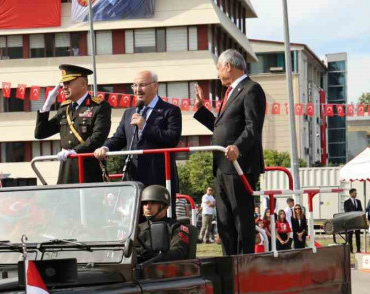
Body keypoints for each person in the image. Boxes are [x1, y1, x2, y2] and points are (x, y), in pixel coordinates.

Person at [193, 49, 266, 256]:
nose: (217, 75)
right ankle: (229, 261)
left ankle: (243, 262)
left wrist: (238, 147)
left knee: (241, 218)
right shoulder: (229, 92)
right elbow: (221, 128)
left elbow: (253, 127)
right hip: (221, 166)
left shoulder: (252, 89)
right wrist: (201, 109)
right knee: (224, 219)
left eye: (218, 68)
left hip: (239, 166)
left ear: (228, 66)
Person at [96, 70, 182, 214]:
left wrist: (145, 126)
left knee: (159, 222)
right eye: (134, 85)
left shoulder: (170, 110)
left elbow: (172, 139)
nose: (137, 90)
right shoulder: (129, 112)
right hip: (134, 176)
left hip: (158, 176)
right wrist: (105, 147)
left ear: (155, 86)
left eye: (142, 85)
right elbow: (119, 138)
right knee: (135, 222)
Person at [34, 64, 111, 184]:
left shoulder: (98, 106)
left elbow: (99, 135)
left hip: (89, 166)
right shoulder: (64, 108)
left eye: (68, 83)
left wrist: (76, 151)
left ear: (83, 84)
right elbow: (40, 133)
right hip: (67, 167)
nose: (64, 87)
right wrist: (46, 107)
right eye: (63, 84)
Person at [134, 185, 192, 264]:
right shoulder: (137, 229)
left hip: (164, 271)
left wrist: (155, 255)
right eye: (145, 203)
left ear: (165, 206)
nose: (148, 207)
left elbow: (178, 253)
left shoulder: (176, 227)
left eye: (153, 203)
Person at [343, 188, 364, 254]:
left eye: (356, 193)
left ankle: (358, 249)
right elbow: (346, 211)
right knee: (350, 236)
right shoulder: (346, 202)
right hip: (350, 221)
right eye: (355, 193)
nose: (356, 194)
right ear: (351, 193)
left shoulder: (358, 201)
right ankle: (350, 250)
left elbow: (361, 210)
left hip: (357, 221)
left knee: (358, 235)